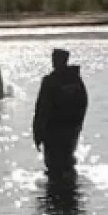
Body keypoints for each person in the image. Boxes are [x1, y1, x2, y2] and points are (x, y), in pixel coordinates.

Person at [33, 48, 88, 177]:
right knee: (64, 160)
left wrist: (38, 132)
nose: (54, 62)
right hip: (67, 130)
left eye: (56, 59)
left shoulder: (51, 81)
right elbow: (83, 102)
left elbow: (41, 108)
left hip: (56, 131)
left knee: (56, 163)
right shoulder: (75, 80)